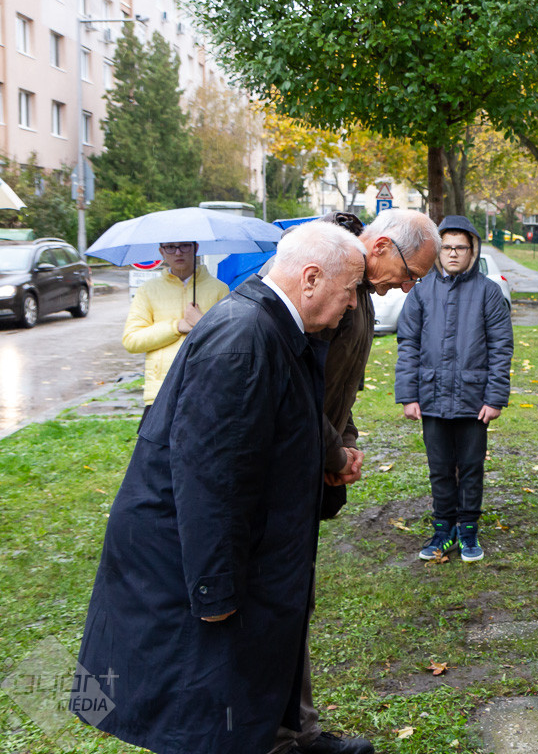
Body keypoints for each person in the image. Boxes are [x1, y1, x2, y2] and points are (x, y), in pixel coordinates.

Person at [73, 222, 367, 754]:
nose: (352, 304)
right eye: (349, 290)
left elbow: (288, 428)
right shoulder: (243, 339)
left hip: (236, 546)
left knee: (238, 689)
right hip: (183, 557)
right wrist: (214, 587)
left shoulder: (274, 327)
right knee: (201, 706)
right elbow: (210, 476)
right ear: (310, 279)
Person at [272, 208, 438, 754]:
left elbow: (340, 385)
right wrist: (333, 448)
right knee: (277, 605)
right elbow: (295, 388)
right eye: (410, 274)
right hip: (286, 463)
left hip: (314, 457)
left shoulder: (360, 291)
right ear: (383, 246)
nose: (408, 288)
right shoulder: (332, 283)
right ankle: (279, 737)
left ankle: (298, 731)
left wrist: (346, 440)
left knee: (295, 602)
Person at [395, 215, 513, 562]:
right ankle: (443, 528)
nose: (453, 253)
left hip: (474, 401)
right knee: (440, 468)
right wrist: (409, 395)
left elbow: (501, 347)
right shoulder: (421, 292)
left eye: (461, 247)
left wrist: (495, 398)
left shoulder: (488, 292)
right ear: (437, 250)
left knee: (471, 467)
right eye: (446, 247)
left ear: (472, 251)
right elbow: (408, 344)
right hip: (431, 397)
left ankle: (468, 529)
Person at [121, 241, 228, 406]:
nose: (178, 253)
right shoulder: (148, 291)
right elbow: (132, 340)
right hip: (161, 392)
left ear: (195, 248)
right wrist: (176, 327)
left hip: (206, 388)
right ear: (161, 251)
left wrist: (201, 323)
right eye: (170, 247)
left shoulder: (219, 289)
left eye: (184, 246)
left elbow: (230, 343)